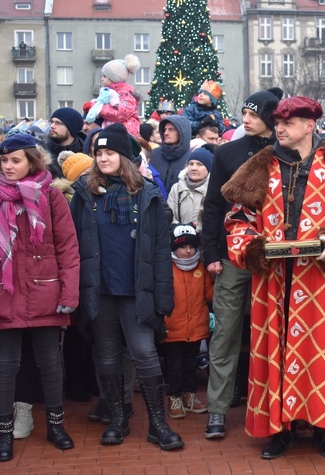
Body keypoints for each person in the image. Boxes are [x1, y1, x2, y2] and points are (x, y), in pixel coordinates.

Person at [222, 96, 325, 459]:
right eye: (277, 122)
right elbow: (238, 221)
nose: (280, 128)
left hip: (324, 280)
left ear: (310, 125)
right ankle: (281, 428)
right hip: (274, 280)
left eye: (288, 123)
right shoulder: (259, 166)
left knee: (323, 352)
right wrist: (251, 248)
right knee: (278, 350)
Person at [70, 123, 183, 451]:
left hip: (138, 292)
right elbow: (73, 243)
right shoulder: (84, 192)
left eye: (110, 153)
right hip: (99, 290)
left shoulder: (147, 194)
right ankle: (117, 419)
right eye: (98, 153)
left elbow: (162, 250)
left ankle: (157, 425)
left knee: (145, 354)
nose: (103, 158)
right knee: (105, 357)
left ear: (125, 157)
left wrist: (163, 297)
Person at [201, 87, 283, 439]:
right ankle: (217, 410)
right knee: (225, 334)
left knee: (275, 333)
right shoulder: (228, 153)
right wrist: (211, 254)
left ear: (269, 117)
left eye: (252, 114)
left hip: (277, 257)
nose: (245, 119)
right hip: (234, 256)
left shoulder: (287, 152)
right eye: (244, 113)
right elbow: (214, 206)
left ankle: (273, 407)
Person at [0, 134, 80, 461]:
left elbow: (68, 247)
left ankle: (56, 425)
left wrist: (70, 292)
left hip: (46, 289)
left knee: (49, 362)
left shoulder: (51, 196)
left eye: (15, 160)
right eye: (4, 160)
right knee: (6, 366)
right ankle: (4, 432)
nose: (8, 166)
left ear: (32, 161)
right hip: (6, 293)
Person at [163, 223, 213, 420]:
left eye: (192, 247)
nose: (188, 250)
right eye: (183, 247)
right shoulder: (167, 267)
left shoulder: (201, 268)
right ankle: (173, 397)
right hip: (172, 328)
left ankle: (189, 395)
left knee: (190, 364)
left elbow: (209, 293)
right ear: (175, 247)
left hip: (196, 327)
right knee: (173, 366)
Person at [90, 54, 141, 137]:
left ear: (112, 78)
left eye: (104, 76)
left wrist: (98, 107)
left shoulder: (126, 94)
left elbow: (119, 114)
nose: (101, 79)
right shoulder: (111, 93)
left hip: (126, 134)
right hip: (116, 133)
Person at [167, 147, 212, 232]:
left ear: (208, 168)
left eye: (199, 164)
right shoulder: (176, 188)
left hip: (204, 241)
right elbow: (170, 215)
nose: (194, 168)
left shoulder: (212, 190)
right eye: (191, 164)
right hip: (180, 239)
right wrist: (183, 231)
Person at [150, 115, 192, 193]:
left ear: (182, 132)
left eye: (171, 130)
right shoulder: (153, 154)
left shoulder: (191, 159)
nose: (166, 133)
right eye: (165, 129)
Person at [46, 108, 86, 179]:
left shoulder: (86, 152)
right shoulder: (43, 153)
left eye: (58, 123)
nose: (52, 126)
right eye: (52, 122)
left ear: (71, 127)